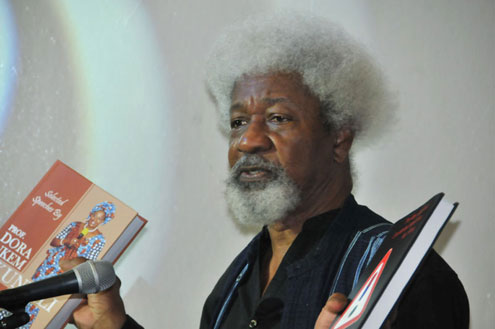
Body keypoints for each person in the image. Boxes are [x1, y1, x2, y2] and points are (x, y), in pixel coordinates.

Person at [62, 12, 469, 329]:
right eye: (238, 122)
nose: (248, 141)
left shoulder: (402, 277)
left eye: (278, 118)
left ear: (339, 140)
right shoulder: (229, 291)